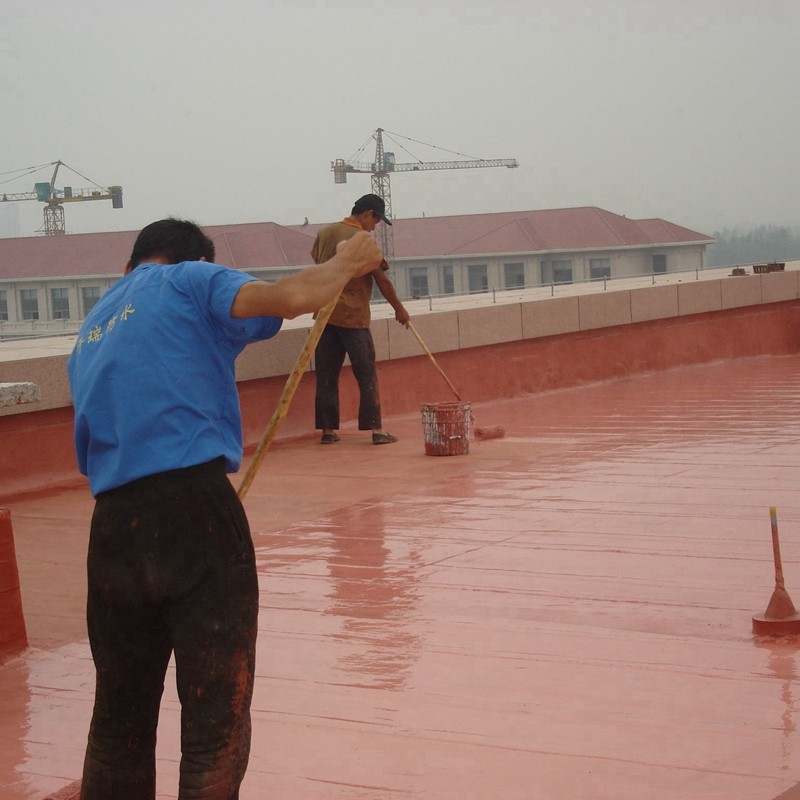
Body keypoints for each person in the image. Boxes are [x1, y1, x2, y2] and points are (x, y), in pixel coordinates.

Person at [66, 217, 383, 800]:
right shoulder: (189, 280)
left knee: (117, 724)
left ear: (130, 265)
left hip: (112, 527)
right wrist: (350, 260)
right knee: (215, 726)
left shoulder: (94, 321)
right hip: (193, 510)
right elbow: (291, 298)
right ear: (194, 259)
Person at [311, 193, 410, 445]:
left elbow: (318, 261)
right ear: (367, 213)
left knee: (326, 376)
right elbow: (382, 280)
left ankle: (328, 431)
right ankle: (376, 430)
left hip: (324, 314)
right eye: (376, 220)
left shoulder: (325, 233)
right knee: (366, 373)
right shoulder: (363, 240)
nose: (375, 226)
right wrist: (399, 308)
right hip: (353, 316)